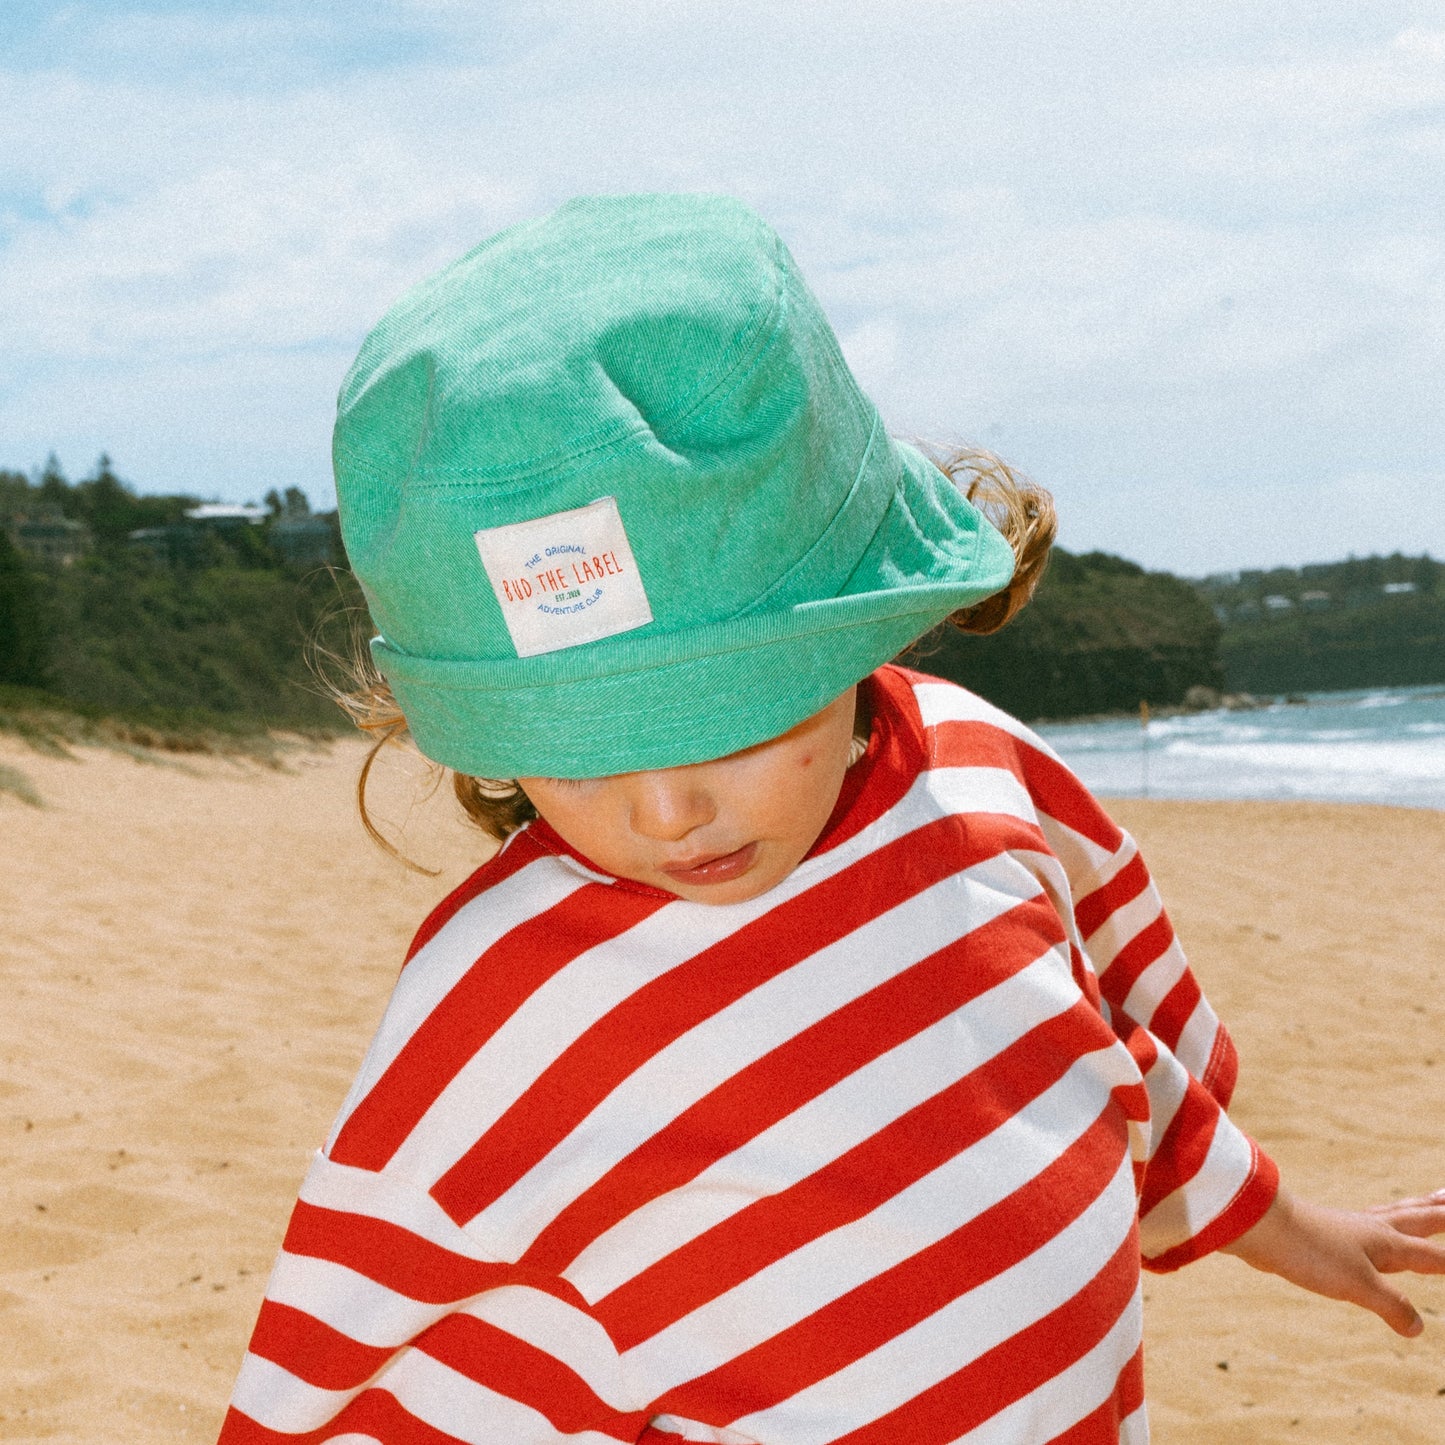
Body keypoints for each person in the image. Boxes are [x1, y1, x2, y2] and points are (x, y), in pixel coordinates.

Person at [219, 194, 1445, 1445]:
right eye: (578, 760)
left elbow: (1098, 1045)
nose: (667, 809)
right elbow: (363, 1338)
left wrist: (1286, 1223)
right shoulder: (497, 1002)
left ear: (855, 624)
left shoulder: (977, 773)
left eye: (734, 719)